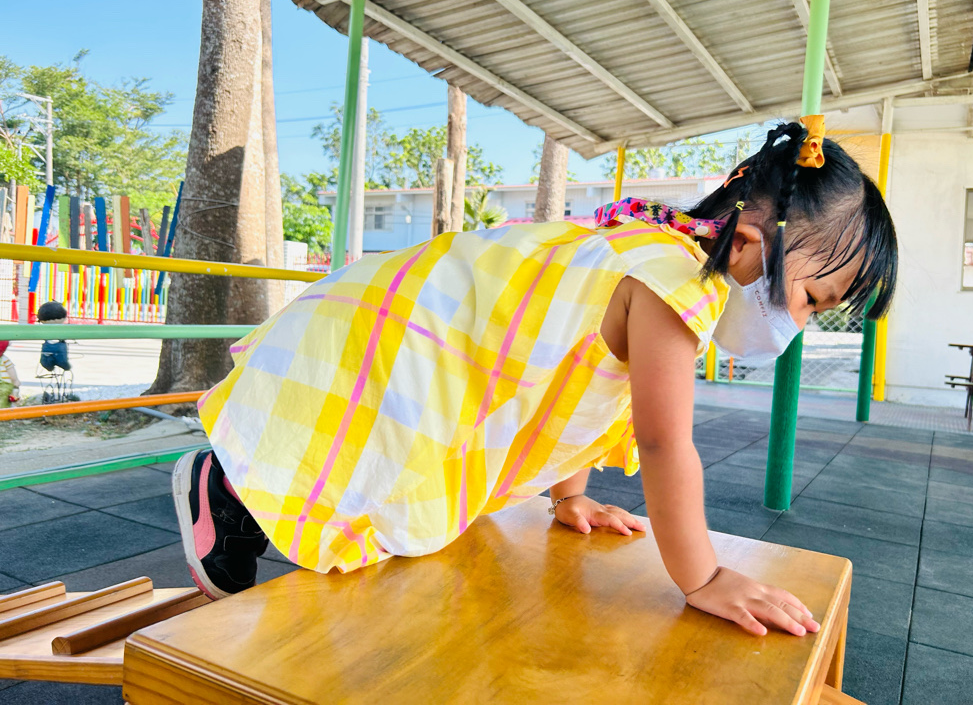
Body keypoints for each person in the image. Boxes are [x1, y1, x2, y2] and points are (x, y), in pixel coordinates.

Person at [173, 117, 897, 638]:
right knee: (370, 462)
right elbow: (664, 441)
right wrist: (704, 577)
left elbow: (576, 374)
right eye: (812, 298)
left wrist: (568, 496)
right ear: (746, 245)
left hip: (404, 319)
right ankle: (225, 488)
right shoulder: (676, 282)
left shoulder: (652, 244)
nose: (802, 321)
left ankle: (243, 498)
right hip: (398, 332)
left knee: (387, 478)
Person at [0, 340, 21, 407]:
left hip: (3, 387)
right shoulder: (4, 359)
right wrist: (16, 383)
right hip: (5, 387)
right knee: (3, 405)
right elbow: (12, 373)